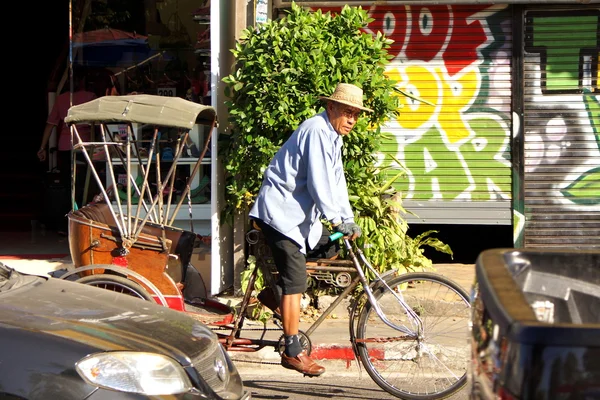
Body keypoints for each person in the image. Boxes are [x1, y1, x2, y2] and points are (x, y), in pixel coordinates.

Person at [249, 83, 371, 377]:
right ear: (331, 108)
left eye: (355, 114)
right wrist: (335, 218)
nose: (352, 120)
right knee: (296, 280)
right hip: (280, 215)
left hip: (301, 219)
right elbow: (318, 182)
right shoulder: (316, 129)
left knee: (332, 245)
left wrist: (347, 219)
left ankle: (273, 296)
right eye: (347, 112)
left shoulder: (334, 137)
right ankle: (292, 352)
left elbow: (336, 182)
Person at [37, 69, 97, 231]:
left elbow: (51, 124)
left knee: (68, 185)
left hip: (65, 147)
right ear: (83, 80)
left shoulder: (62, 99)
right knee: (85, 185)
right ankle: (84, 223)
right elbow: (98, 125)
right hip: (85, 147)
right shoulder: (91, 97)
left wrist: (42, 147)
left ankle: (67, 224)